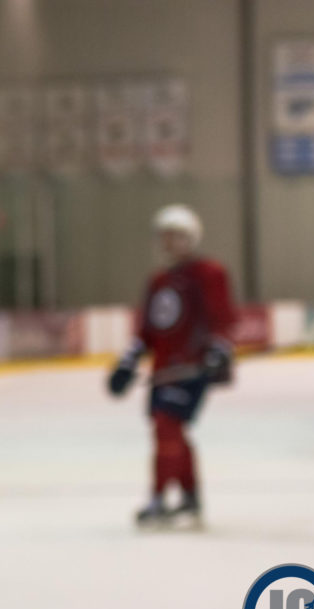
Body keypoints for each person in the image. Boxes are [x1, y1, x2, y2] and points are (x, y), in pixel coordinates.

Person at [107, 204, 236, 527]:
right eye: (164, 236)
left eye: (176, 236)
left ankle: (158, 499)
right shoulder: (159, 280)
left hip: (192, 368)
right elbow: (148, 330)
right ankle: (190, 498)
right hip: (164, 371)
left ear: (192, 238)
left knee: (166, 427)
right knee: (171, 431)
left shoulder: (208, 273)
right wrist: (128, 362)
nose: (169, 243)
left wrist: (219, 349)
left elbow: (223, 317)